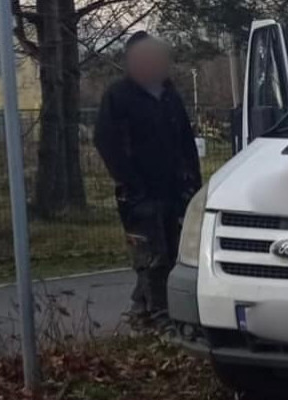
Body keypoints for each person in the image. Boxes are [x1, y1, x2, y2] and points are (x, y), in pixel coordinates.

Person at [95, 32, 202, 327]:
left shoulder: (169, 96)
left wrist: (193, 181)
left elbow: (185, 140)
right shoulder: (118, 97)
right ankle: (159, 316)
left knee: (171, 252)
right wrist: (131, 183)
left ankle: (141, 310)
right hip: (139, 196)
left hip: (174, 190)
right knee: (151, 257)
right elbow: (107, 142)